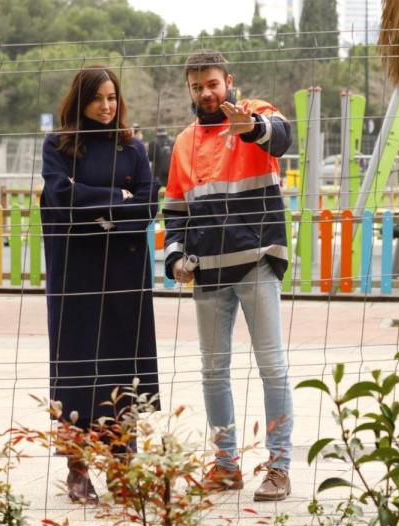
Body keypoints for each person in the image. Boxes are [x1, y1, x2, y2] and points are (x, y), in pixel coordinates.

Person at [162, 50, 293, 502]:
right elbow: (175, 210)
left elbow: (282, 138)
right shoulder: (183, 142)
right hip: (208, 272)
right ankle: (225, 466)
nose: (207, 93)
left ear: (228, 81)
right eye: (198, 86)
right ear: (190, 90)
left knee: (272, 367)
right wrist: (175, 256)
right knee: (213, 372)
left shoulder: (255, 114)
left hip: (256, 261)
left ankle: (278, 467)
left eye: (213, 84)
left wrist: (253, 129)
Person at [41, 66, 160, 504]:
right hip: (76, 274)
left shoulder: (132, 148)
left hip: (125, 277)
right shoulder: (57, 145)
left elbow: (148, 205)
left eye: (112, 97)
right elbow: (59, 195)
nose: (106, 106)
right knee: (77, 367)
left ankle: (122, 466)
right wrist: (116, 200)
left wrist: (91, 202)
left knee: (121, 366)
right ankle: (77, 468)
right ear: (80, 101)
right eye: (97, 98)